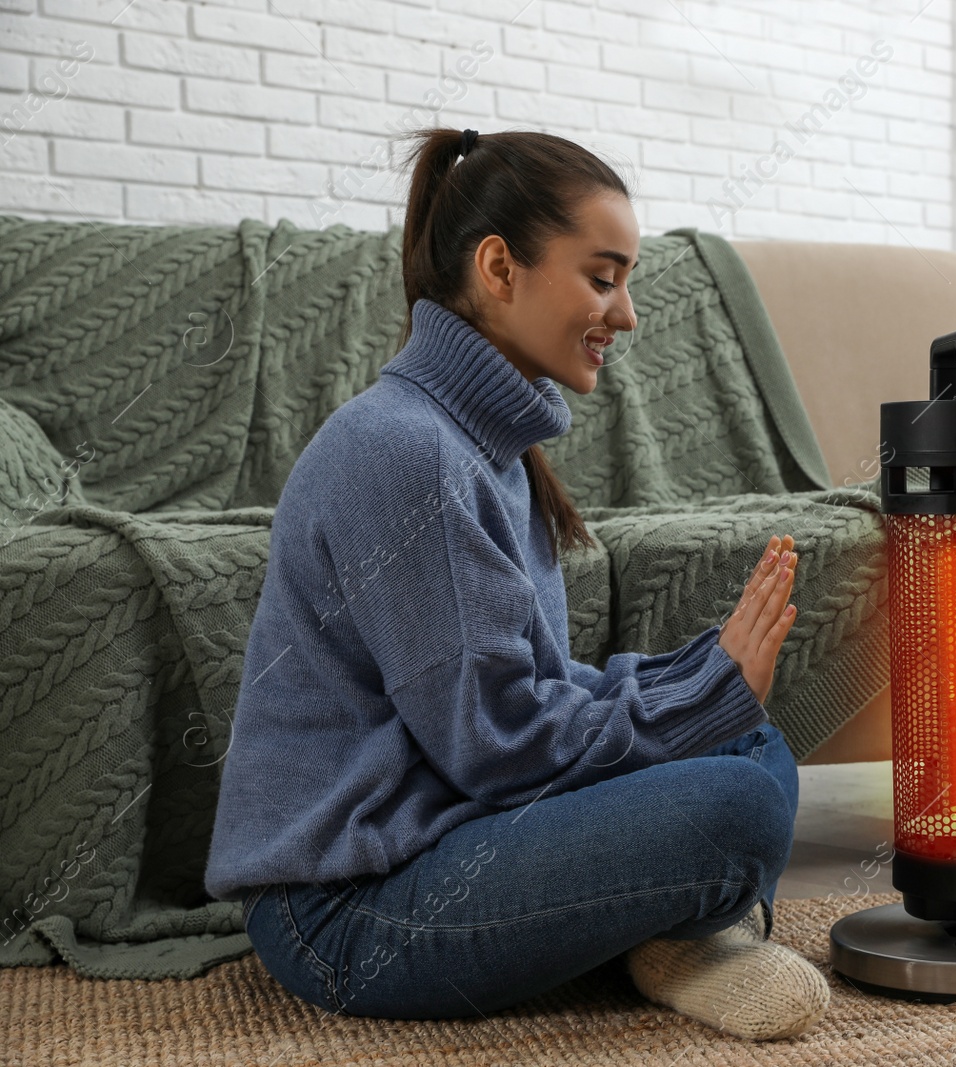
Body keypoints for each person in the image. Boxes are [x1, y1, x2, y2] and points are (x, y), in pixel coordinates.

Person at [202, 126, 830, 1042]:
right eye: (603, 276)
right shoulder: (405, 451)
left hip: (450, 827)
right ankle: (682, 933)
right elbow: (499, 744)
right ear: (501, 268)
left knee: (753, 744)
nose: (628, 313)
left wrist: (709, 685)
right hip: (347, 912)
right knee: (734, 810)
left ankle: (663, 938)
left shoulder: (482, 447)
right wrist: (700, 694)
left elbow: (530, 691)